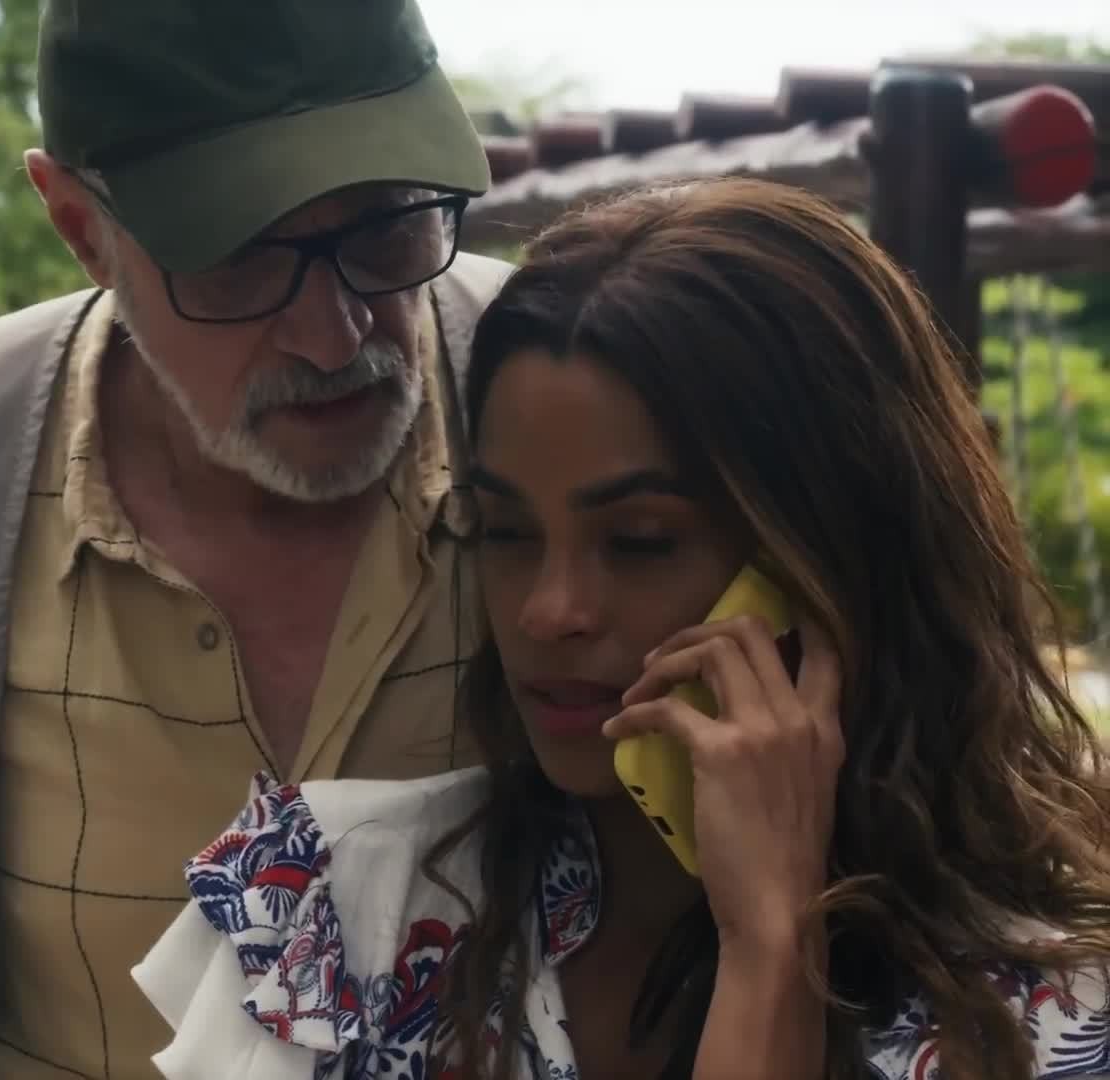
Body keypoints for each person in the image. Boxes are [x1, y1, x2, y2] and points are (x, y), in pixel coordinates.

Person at [0, 1, 518, 1076]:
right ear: (81, 228)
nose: (334, 331)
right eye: (240, 258)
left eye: (387, 228)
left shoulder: (568, 406)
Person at [136, 177, 1110, 1079]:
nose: (547, 609)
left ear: (829, 563)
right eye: (506, 531)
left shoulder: (1055, 1013)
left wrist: (772, 946)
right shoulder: (331, 895)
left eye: (641, 541)